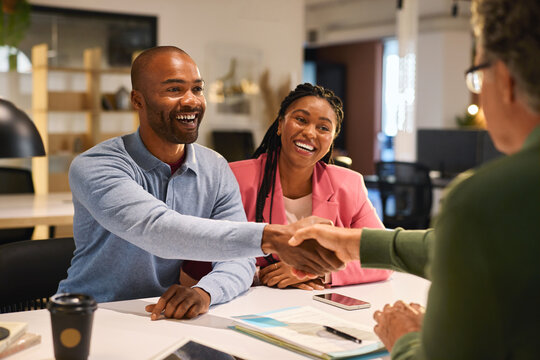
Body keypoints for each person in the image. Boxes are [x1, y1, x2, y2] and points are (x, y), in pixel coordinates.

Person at [290, 0, 540, 358]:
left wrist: (405, 337)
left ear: (505, 80)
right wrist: (354, 242)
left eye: (478, 73)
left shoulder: (483, 202)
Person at [57, 46, 343, 320]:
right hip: (90, 315)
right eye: (174, 89)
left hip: (163, 316)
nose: (191, 100)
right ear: (137, 100)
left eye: (197, 88)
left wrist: (206, 292)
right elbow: (157, 231)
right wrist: (274, 237)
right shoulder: (95, 165)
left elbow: (239, 260)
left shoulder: (214, 167)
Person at [182, 83, 391, 290]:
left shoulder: (349, 184)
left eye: (323, 128)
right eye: (301, 120)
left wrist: (317, 271)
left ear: (332, 139)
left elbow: (383, 255)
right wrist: (260, 275)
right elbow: (198, 259)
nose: (310, 132)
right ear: (280, 125)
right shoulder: (235, 177)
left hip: (314, 308)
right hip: (245, 305)